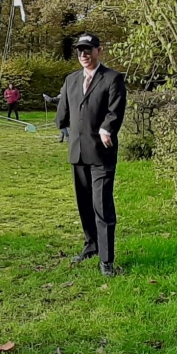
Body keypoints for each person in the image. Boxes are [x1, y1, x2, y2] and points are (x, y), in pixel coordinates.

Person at [55, 33, 128, 276]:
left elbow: (115, 109)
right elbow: (63, 110)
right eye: (80, 51)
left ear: (99, 50)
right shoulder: (71, 80)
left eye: (88, 50)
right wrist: (61, 124)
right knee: (84, 204)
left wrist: (107, 128)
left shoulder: (112, 78)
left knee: (102, 205)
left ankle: (106, 260)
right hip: (77, 151)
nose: (84, 55)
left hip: (101, 152)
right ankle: (91, 246)